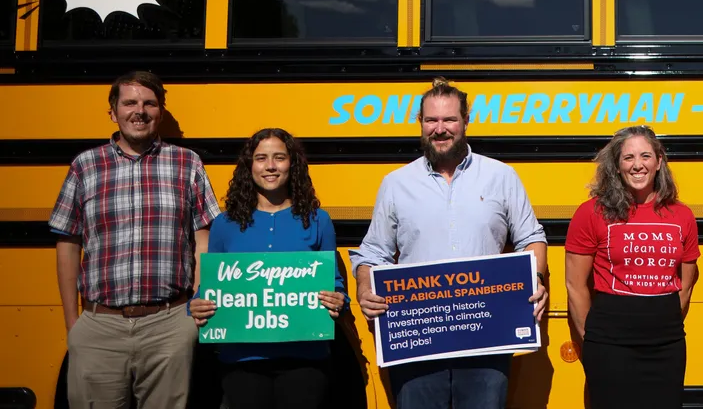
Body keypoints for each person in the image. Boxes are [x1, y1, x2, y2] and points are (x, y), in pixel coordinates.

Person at [349, 78, 550, 409]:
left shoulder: (501, 176)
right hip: (417, 341)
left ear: (465, 121)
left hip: (487, 339)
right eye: (431, 120)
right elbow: (372, 253)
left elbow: (531, 238)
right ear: (421, 123)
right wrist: (364, 289)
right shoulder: (396, 184)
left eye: (449, 120)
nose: (439, 129)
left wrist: (536, 280)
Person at [50, 70, 222, 409]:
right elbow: (68, 244)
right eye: (129, 103)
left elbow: (204, 239)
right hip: (100, 324)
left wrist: (194, 312)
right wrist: (74, 324)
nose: (139, 111)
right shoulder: (85, 166)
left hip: (170, 324)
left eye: (149, 103)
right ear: (113, 112)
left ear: (159, 112)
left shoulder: (187, 163)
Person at [188, 128, 348, 409]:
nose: (270, 166)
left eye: (279, 158)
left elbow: (334, 284)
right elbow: (212, 287)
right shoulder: (225, 224)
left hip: (305, 358)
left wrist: (339, 300)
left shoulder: (318, 220)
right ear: (250, 165)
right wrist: (196, 306)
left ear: (292, 164)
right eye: (261, 158)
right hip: (241, 360)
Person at [565, 126, 700, 409]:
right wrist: (592, 341)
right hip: (609, 342)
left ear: (659, 161)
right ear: (616, 165)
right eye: (628, 158)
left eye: (645, 156)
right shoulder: (590, 213)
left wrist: (664, 322)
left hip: (667, 343)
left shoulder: (682, 215)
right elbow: (575, 286)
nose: (637, 165)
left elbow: (686, 283)